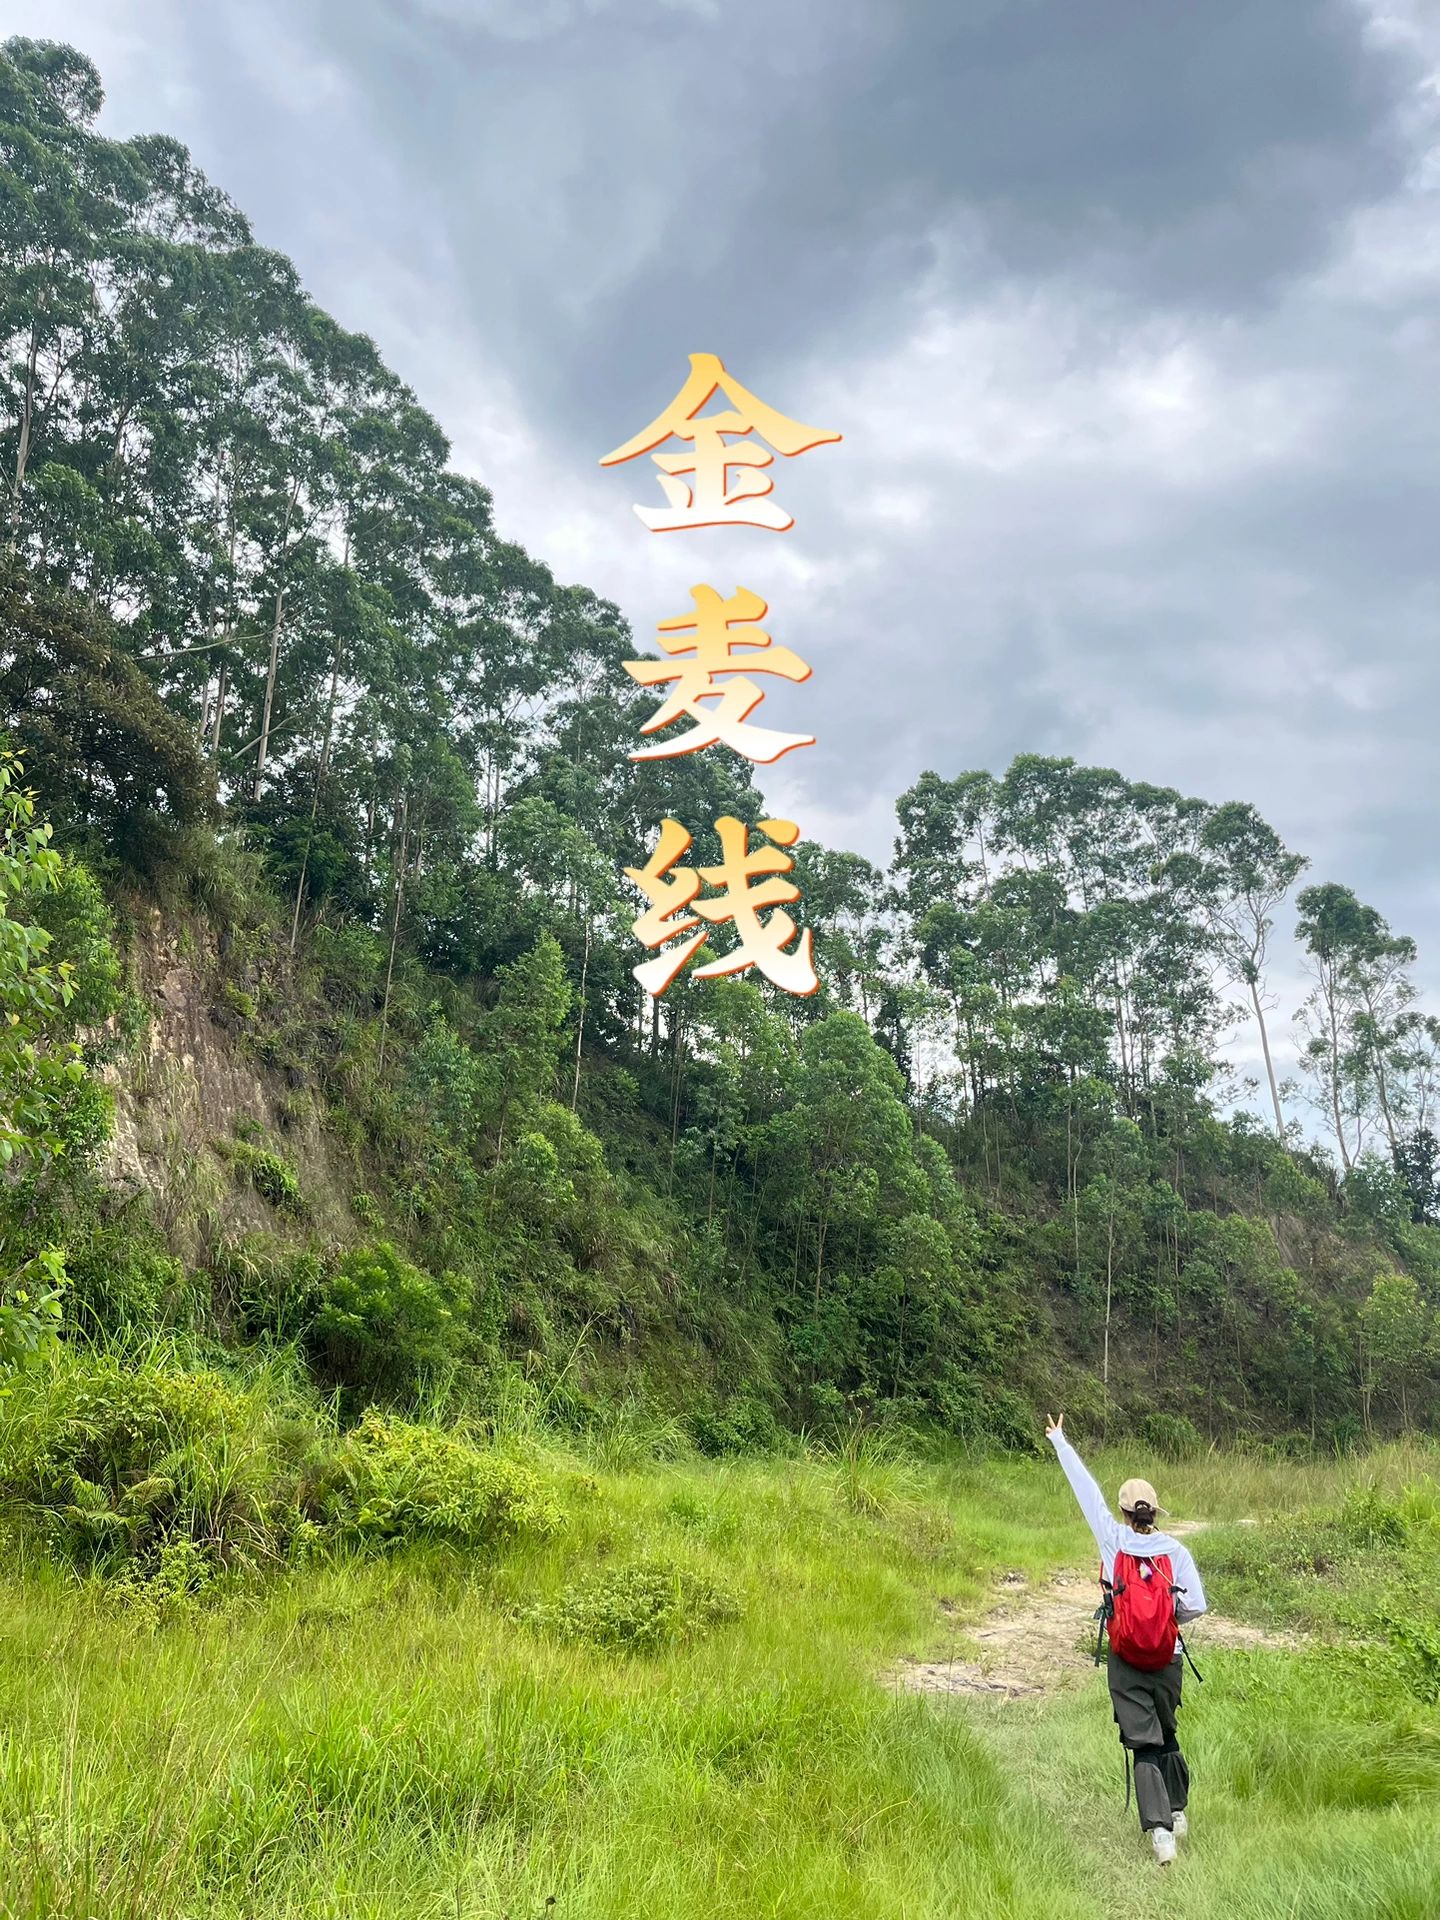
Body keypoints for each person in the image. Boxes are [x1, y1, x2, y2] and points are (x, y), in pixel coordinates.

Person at [1044, 1413, 1207, 1867]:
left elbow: (1086, 1493)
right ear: (1155, 1512)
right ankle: (1177, 1811)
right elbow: (1196, 1606)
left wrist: (1060, 1441)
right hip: (1168, 1658)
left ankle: (1161, 1835)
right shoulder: (1176, 1550)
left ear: (1123, 1512)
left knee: (1144, 1741)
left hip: (1125, 1659)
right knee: (1167, 1731)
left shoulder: (1112, 1540)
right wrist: (1166, 1621)